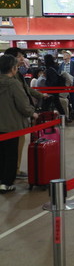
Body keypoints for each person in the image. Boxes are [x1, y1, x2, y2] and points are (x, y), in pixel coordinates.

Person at [0, 54, 38, 193]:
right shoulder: (13, 83)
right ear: (12, 68)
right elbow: (22, 104)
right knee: (11, 155)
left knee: (1, 154)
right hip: (11, 125)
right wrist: (32, 113)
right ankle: (6, 183)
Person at [59, 50, 74, 118]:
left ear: (69, 56)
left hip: (72, 85)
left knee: (73, 98)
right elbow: (59, 73)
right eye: (63, 55)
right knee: (65, 99)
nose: (63, 56)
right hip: (64, 86)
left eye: (65, 54)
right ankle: (67, 113)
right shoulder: (61, 64)